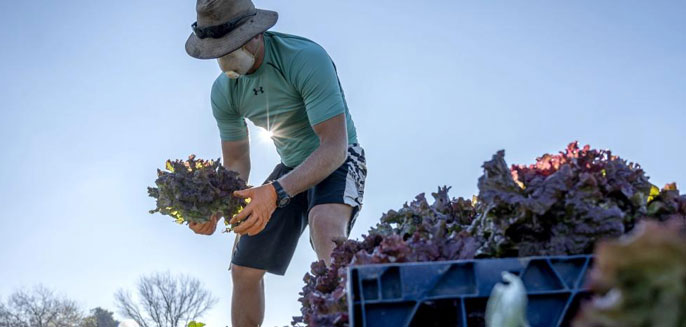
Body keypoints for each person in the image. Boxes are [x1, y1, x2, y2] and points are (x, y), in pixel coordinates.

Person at [184, 0, 367, 326]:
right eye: (217, 50)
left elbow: (334, 146)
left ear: (255, 33)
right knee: (243, 269)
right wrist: (214, 206)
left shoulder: (304, 58)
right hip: (288, 165)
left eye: (231, 46)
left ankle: (349, 319)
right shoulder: (224, 92)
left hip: (336, 157)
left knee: (326, 232)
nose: (225, 57)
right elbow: (237, 162)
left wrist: (277, 192)